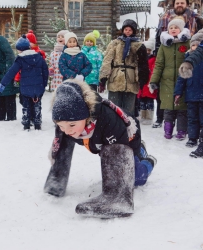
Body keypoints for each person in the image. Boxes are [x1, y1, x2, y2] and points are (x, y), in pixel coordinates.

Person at [44, 80, 157, 219]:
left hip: (127, 139)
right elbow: (60, 144)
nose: (67, 130)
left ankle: (148, 161)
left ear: (85, 116)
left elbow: (117, 162)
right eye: (61, 126)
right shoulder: (67, 123)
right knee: (66, 137)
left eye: (72, 125)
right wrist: (56, 181)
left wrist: (115, 193)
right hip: (100, 143)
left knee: (137, 178)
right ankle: (56, 182)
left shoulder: (108, 120)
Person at [153, 0, 203, 128]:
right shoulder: (165, 17)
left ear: (186, 4)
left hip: (190, 58)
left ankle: (186, 127)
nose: (179, 5)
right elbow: (158, 35)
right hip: (168, 62)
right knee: (165, 96)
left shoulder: (195, 18)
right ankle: (161, 119)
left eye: (182, 2)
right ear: (173, 5)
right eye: (177, 3)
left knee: (185, 99)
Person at [149, 17, 191, 140]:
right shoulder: (164, 45)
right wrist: (154, 80)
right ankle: (167, 130)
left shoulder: (187, 43)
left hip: (183, 80)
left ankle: (181, 131)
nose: (173, 29)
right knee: (168, 107)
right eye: (171, 28)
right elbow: (159, 64)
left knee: (182, 108)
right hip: (166, 81)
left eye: (176, 27)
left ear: (181, 29)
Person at [0, 35, 49, 131]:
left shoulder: (20, 59)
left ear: (20, 50)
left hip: (25, 88)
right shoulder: (39, 57)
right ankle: (37, 124)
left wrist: (2, 85)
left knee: (26, 106)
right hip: (38, 88)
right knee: (37, 105)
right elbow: (45, 72)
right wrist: (44, 84)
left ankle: (26, 124)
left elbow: (11, 73)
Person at [99, 19, 149, 116]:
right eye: (126, 29)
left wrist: (143, 78)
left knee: (128, 110)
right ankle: (113, 127)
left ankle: (128, 128)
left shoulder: (138, 45)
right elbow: (107, 60)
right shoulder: (115, 43)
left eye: (130, 30)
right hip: (116, 78)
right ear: (123, 30)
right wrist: (103, 77)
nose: (128, 32)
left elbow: (143, 63)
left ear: (134, 31)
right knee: (113, 107)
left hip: (131, 79)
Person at [177, 30, 203, 158]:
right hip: (194, 93)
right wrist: (189, 62)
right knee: (194, 118)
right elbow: (199, 51)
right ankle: (197, 142)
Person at [137, 38, 157, 125]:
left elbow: (153, 70)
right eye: (146, 50)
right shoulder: (141, 59)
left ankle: (149, 117)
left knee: (149, 101)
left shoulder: (153, 59)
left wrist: (152, 81)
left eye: (149, 50)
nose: (147, 51)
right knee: (142, 101)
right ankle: (142, 116)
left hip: (148, 82)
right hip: (142, 82)